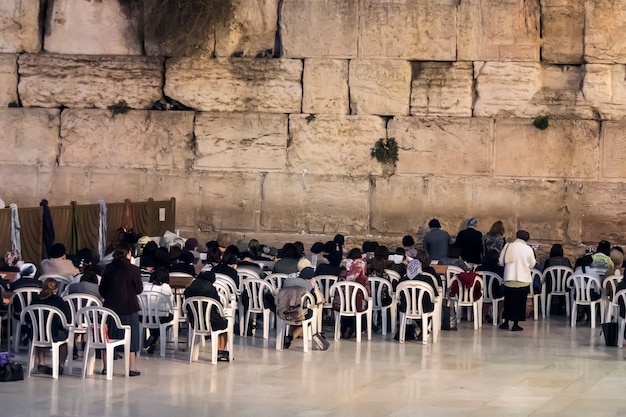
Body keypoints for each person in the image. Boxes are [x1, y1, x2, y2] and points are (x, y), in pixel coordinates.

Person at [99, 243, 143, 377]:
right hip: (129, 307)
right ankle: (131, 368)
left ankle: (106, 367)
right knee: (132, 337)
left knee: (108, 337)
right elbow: (139, 289)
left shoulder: (108, 268)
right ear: (128, 254)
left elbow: (102, 290)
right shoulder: (134, 270)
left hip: (111, 307)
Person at [184, 271, 230, 361]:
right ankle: (220, 351)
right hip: (210, 321)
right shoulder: (211, 289)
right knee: (224, 323)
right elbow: (219, 306)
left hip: (195, 322)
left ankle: (194, 355)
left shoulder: (190, 288)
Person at [31, 278, 71, 376]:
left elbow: (27, 317)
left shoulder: (35, 299)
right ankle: (60, 365)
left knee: (41, 333)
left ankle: (41, 362)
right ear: (56, 289)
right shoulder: (59, 301)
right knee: (65, 340)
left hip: (36, 333)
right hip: (54, 333)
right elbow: (67, 319)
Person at [498, 230, 536, 331]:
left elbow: (501, 261)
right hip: (523, 279)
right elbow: (532, 264)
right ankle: (515, 324)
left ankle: (505, 322)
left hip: (509, 278)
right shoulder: (528, 249)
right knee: (520, 303)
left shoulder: (508, 246)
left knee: (508, 301)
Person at [394, 259, 439, 340]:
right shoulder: (428, 279)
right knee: (427, 305)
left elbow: (398, 296)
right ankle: (424, 329)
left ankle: (415, 330)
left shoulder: (402, 280)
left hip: (406, 308)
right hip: (425, 308)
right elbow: (435, 294)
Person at [278, 267, 320, 349]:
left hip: (284, 311)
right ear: (311, 278)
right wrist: (314, 286)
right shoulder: (308, 285)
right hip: (298, 313)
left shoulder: (287, 281)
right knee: (308, 318)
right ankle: (290, 338)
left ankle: (287, 338)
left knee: (295, 313)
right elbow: (314, 300)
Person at [142, 267, 174, 354]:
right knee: (168, 318)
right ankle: (154, 337)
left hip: (143, 317)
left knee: (152, 317)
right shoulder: (166, 288)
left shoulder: (144, 285)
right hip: (161, 317)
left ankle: (153, 339)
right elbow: (171, 305)